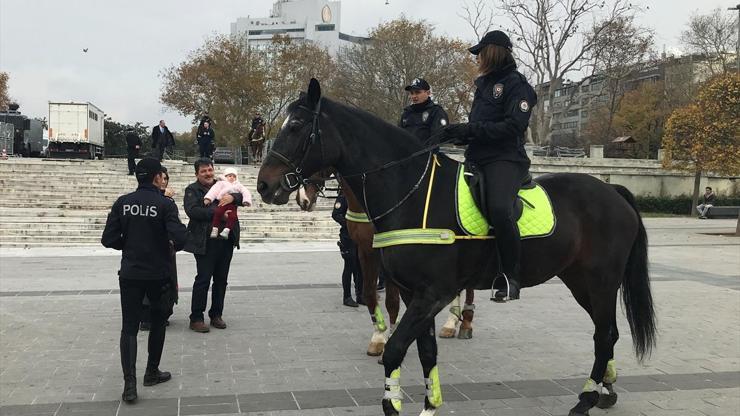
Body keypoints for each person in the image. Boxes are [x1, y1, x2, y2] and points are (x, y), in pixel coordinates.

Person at [442, 30, 537, 302]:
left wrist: (471, 129)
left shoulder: (516, 85)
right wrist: (458, 134)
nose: (478, 59)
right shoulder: (483, 85)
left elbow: (513, 126)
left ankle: (511, 276)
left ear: (493, 52)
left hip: (505, 158)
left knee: (498, 208)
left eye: (480, 53)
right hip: (477, 157)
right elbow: (480, 127)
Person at [101, 158, 187, 403]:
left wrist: (127, 245)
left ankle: (130, 385)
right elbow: (180, 237)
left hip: (130, 273)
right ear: (157, 177)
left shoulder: (123, 202)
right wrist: (169, 245)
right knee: (158, 323)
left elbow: (108, 239)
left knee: (129, 327)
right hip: (158, 274)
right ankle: (151, 372)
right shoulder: (165, 204)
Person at [184, 158, 245, 332]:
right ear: (197, 174)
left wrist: (233, 196)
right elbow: (193, 211)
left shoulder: (224, 184)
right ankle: (196, 317)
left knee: (221, 280)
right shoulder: (192, 190)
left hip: (225, 240)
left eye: (210, 170)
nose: (208, 174)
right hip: (205, 242)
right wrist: (218, 212)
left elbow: (241, 194)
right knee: (203, 279)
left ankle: (216, 314)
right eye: (203, 171)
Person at [140, 167, 177, 331]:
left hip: (166, 248)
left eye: (166, 179)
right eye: (162, 178)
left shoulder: (168, 202)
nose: (164, 181)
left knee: (168, 281)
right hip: (147, 249)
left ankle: (164, 311)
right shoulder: (155, 200)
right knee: (149, 282)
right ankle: (146, 316)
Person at [332, 191, 363, 307]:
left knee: (360, 266)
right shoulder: (345, 195)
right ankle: (347, 297)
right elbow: (336, 214)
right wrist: (349, 224)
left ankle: (360, 295)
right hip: (347, 236)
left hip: (360, 236)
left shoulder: (360, 194)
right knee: (349, 266)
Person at [203, 167, 252, 239]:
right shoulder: (221, 183)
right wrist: (208, 198)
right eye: (230, 176)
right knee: (218, 212)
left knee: (233, 216)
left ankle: (227, 230)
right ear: (225, 176)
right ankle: (215, 228)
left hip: (233, 205)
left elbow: (246, 192)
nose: (232, 178)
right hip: (222, 203)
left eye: (234, 176)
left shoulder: (238, 185)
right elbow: (214, 191)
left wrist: (246, 200)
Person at [399, 78, 449, 148]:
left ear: (428, 93)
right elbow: (399, 136)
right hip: (406, 155)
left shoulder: (436, 112)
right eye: (412, 93)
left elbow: (437, 139)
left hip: (426, 156)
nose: (414, 96)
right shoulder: (407, 113)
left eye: (417, 92)